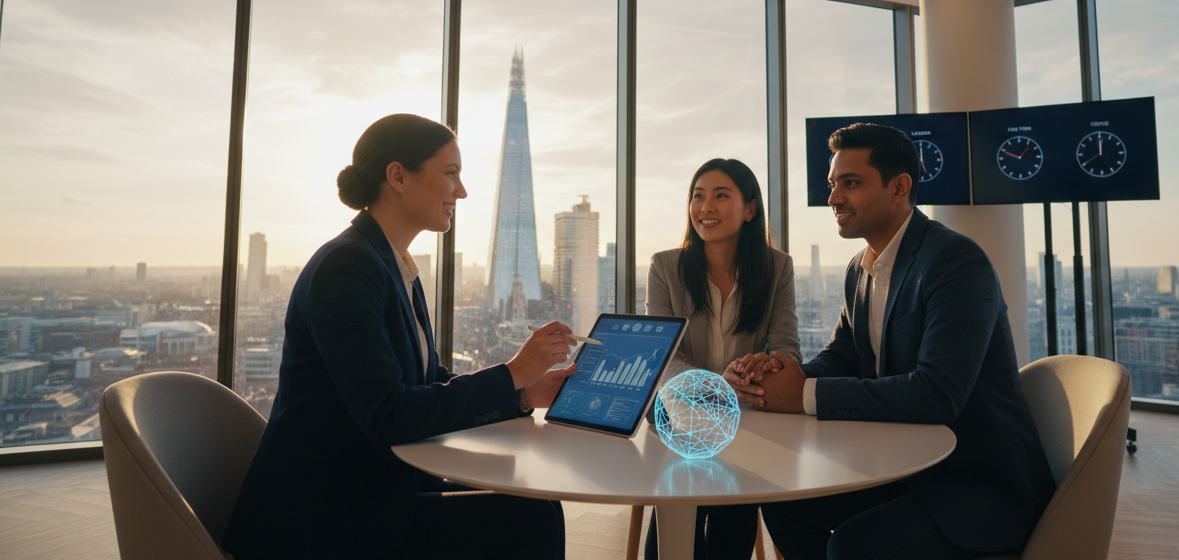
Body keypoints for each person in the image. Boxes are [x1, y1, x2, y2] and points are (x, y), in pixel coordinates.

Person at [224, 114, 578, 560]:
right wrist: (511, 373)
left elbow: (424, 380)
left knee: (537, 501)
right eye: (451, 174)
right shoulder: (347, 268)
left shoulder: (390, 265)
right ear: (398, 176)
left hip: (370, 492)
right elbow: (387, 412)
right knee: (533, 516)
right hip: (323, 519)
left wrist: (523, 392)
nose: (462, 192)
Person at [745, 123, 1056, 560]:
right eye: (833, 184)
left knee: (854, 546)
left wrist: (802, 394)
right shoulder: (860, 267)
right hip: (904, 466)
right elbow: (845, 354)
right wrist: (778, 378)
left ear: (899, 187)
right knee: (786, 503)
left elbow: (937, 394)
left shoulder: (953, 261)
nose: (833, 198)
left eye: (850, 184)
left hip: (975, 484)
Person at [643, 158, 801, 560]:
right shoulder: (666, 267)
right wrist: (714, 384)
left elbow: (787, 348)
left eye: (720, 196)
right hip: (679, 411)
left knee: (736, 494)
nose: (704, 207)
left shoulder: (777, 267)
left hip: (746, 417)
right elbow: (662, 357)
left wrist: (766, 365)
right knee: (683, 502)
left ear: (749, 209)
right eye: (698, 196)